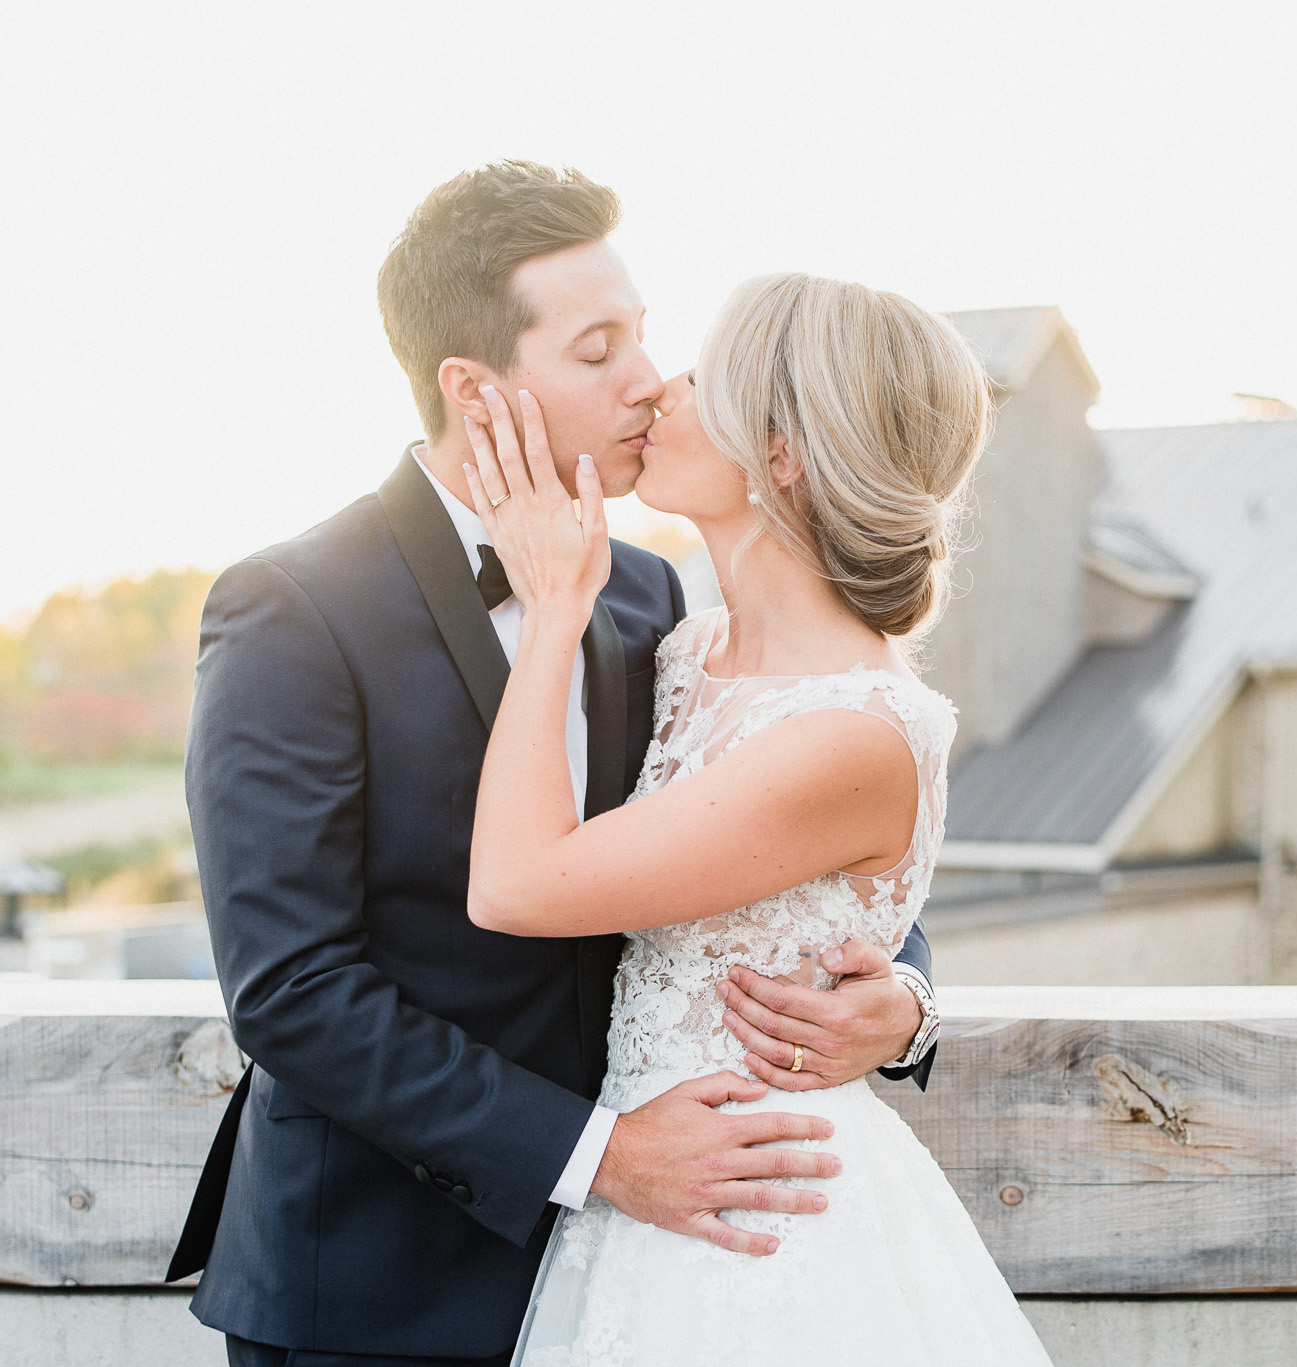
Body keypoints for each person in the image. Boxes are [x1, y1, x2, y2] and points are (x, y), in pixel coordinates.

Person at [172, 163, 940, 1367]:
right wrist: (600, 1155)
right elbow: (289, 986)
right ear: (477, 391)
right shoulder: (295, 606)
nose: (648, 380)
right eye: (597, 351)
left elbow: (791, 847)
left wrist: (902, 1001)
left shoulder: (650, 595)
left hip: (659, 1271)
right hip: (380, 1285)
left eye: (643, 334)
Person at [461, 271, 1051, 1365]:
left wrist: (552, 611)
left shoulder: (856, 726)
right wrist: (907, 997)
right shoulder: (687, 649)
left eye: (697, 378)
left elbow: (515, 884)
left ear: (779, 453)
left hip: (760, 1231)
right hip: (638, 1214)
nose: (657, 393)